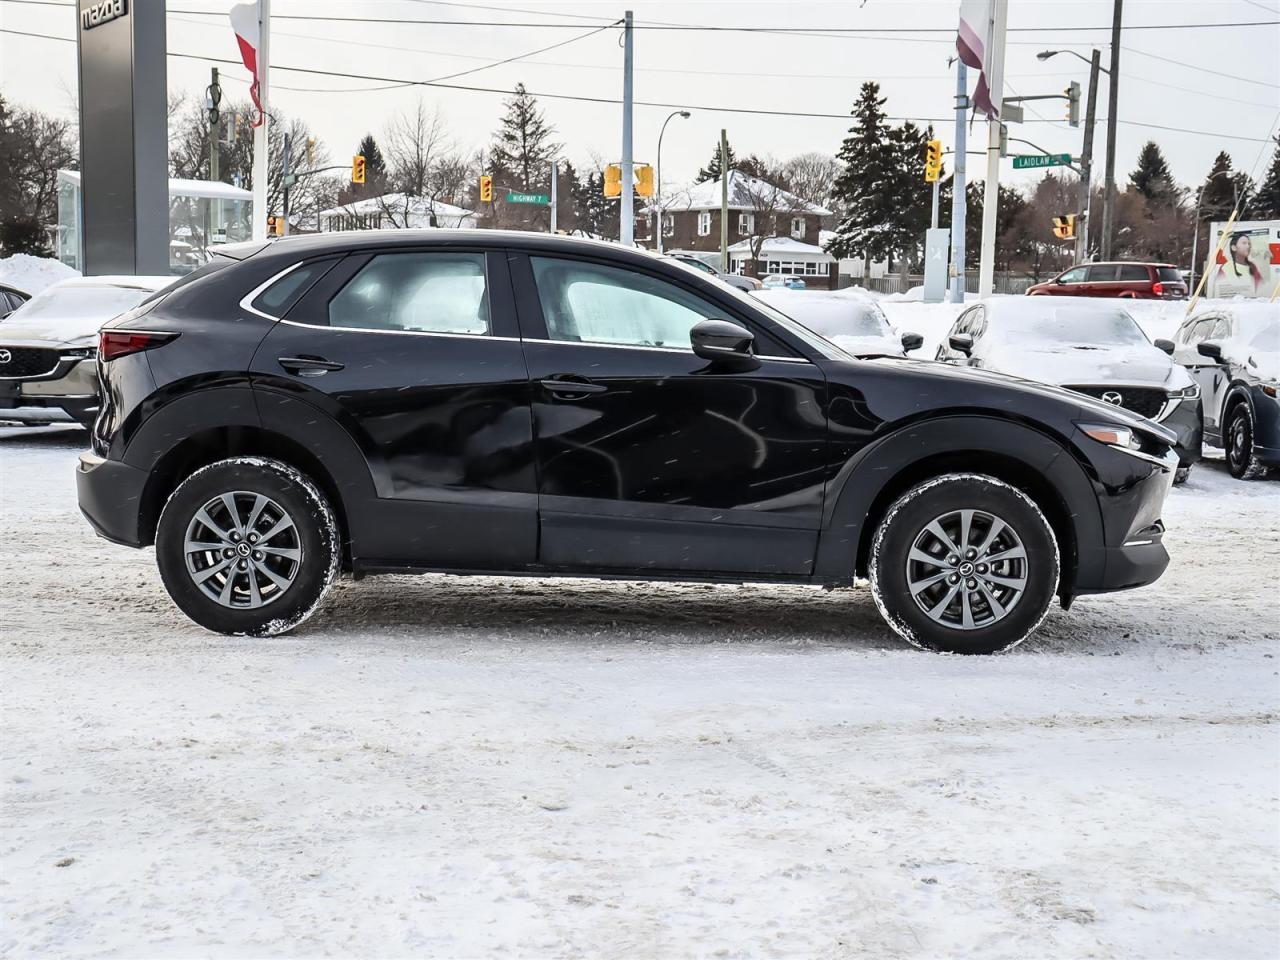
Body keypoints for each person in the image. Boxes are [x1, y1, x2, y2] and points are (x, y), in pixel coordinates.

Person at [1213, 232, 1264, 297]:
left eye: (1249, 244)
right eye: (1244, 243)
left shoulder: (1252, 266)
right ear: (1234, 247)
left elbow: (1260, 287)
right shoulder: (1225, 268)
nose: (1248, 246)